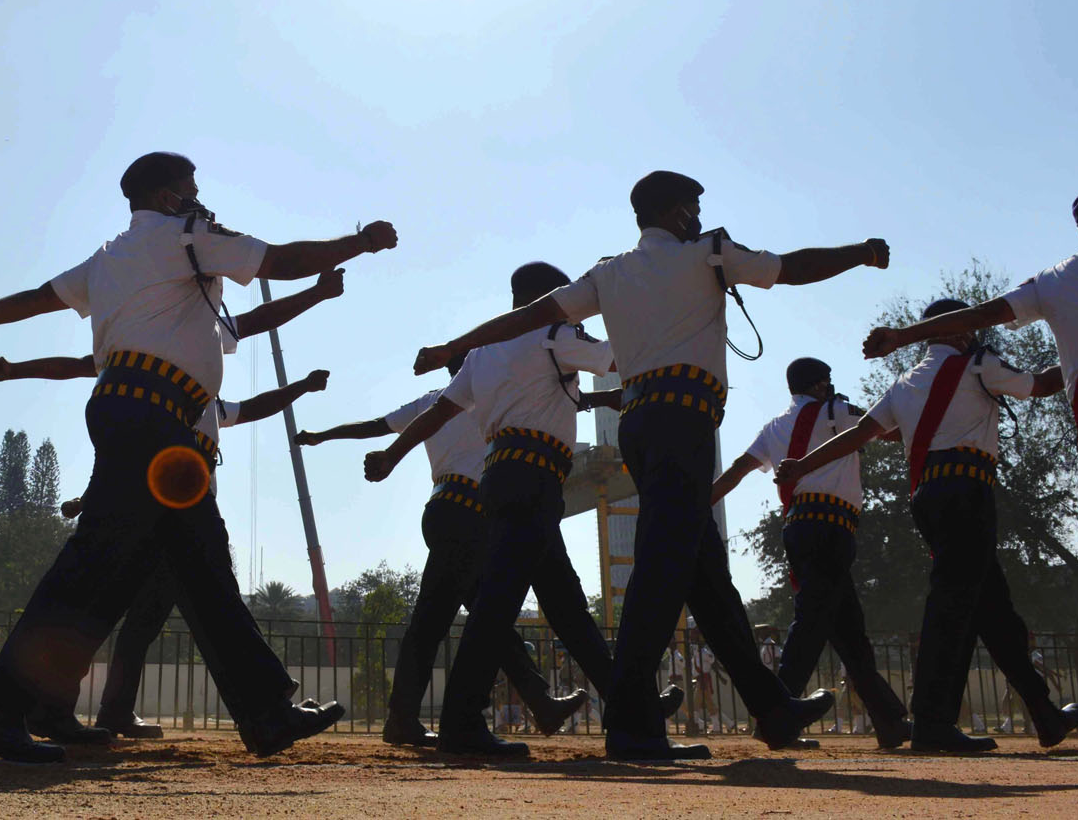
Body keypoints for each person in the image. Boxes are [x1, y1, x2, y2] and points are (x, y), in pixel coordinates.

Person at [0, 151, 396, 762]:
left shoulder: (110, 260)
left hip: (138, 413)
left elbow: (36, 299)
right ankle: (0, 711)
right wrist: (357, 242)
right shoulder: (188, 238)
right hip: (154, 418)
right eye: (191, 187)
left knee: (190, 568)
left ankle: (263, 715)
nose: (200, 197)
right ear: (168, 195)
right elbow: (279, 261)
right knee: (95, 564)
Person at [412, 171, 880, 758]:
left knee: (703, 570)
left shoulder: (609, 273)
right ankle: (633, 724)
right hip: (685, 422)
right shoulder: (708, 253)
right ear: (681, 211)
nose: (700, 214)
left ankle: (772, 707)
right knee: (662, 568)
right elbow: (789, 266)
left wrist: (453, 345)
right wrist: (859, 254)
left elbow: (526, 317)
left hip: (641, 424)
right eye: (696, 205)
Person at [861, 185, 1078, 756]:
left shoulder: (1054, 279)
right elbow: (1008, 353)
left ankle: (1058, 712)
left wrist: (903, 338)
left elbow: (986, 311)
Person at [0, 268, 346, 742]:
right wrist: (16, 370)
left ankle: (56, 708)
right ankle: (260, 712)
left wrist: (301, 383)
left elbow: (254, 394)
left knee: (116, 606)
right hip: (158, 492)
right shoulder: (152, 347)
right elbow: (81, 368)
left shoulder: (205, 393)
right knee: (146, 603)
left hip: (175, 495)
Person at [367, 262, 672, 757]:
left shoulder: (484, 352)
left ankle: (633, 709)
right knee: (499, 606)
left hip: (504, 478)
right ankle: (462, 723)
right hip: (535, 479)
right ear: (549, 296)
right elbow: (618, 359)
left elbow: (436, 414)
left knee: (567, 608)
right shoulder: (554, 333)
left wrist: (389, 456)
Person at [785, 298, 1078, 752]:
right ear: (959, 329)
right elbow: (1041, 385)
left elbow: (859, 435)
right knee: (952, 606)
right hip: (968, 490)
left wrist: (803, 464)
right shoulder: (978, 364)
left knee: (993, 610)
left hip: (929, 495)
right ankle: (932, 720)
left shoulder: (904, 385)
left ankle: (1043, 713)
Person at [299, 351, 602, 748]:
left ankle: (533, 700)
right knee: (453, 621)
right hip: (472, 515)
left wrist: (323, 435)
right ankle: (418, 718)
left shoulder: (430, 402)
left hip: (443, 508)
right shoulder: (498, 395)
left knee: (479, 619)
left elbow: (375, 425)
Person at [711, 356, 911, 749]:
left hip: (799, 524)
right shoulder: (838, 409)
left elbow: (738, 469)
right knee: (812, 622)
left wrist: (702, 504)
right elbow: (888, 432)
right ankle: (776, 715)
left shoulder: (774, 426)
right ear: (822, 384)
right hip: (832, 525)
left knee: (849, 632)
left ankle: (888, 720)